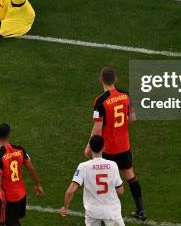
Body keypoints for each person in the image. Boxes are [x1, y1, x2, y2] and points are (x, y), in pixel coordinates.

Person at [85, 68, 145, 220]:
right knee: (130, 176)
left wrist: (89, 146)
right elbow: (133, 118)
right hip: (124, 145)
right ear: (116, 79)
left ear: (101, 80)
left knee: (106, 179)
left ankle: (105, 214)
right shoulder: (126, 96)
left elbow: (98, 129)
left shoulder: (100, 102)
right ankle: (141, 211)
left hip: (108, 148)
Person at [59, 135, 125, 226]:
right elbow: (120, 190)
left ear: (90, 147)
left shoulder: (83, 167)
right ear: (103, 147)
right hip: (112, 211)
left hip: (93, 212)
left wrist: (65, 207)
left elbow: (70, 190)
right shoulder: (113, 165)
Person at [0, 123, 43, 226]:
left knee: (4, 223)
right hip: (21, 194)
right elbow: (31, 169)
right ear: (9, 134)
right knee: (15, 221)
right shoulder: (19, 149)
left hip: (7, 199)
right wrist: (38, 185)